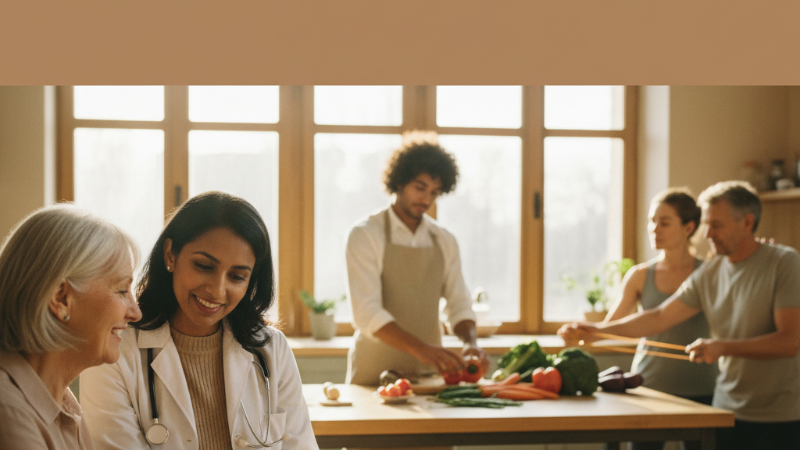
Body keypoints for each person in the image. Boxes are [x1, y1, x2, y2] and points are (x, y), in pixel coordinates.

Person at [560, 180, 800, 450]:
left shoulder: (785, 262)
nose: (707, 233)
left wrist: (721, 347)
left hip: (780, 416)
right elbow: (658, 317)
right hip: (727, 410)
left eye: (716, 225)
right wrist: (595, 331)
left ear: (747, 223)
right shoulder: (710, 272)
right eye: (706, 223)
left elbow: (788, 342)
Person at [81, 191, 318, 450]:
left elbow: (300, 445)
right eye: (204, 266)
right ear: (170, 254)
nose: (217, 290)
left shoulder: (271, 349)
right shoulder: (112, 351)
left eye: (237, 276)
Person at [344, 130, 489, 386]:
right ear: (399, 181)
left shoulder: (444, 240)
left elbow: (459, 303)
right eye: (420, 187)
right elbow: (366, 312)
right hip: (373, 375)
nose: (426, 199)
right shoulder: (366, 234)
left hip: (429, 377)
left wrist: (471, 343)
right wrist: (422, 349)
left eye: (434, 192)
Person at [0, 204, 142, 450]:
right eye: (121, 290)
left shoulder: (61, 399)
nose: (135, 312)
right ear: (61, 299)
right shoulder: (9, 411)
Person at [603, 188, 717, 450]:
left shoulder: (710, 272)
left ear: (688, 227)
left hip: (702, 387)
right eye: (652, 221)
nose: (655, 229)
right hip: (649, 387)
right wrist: (589, 330)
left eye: (664, 222)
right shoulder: (639, 275)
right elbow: (612, 328)